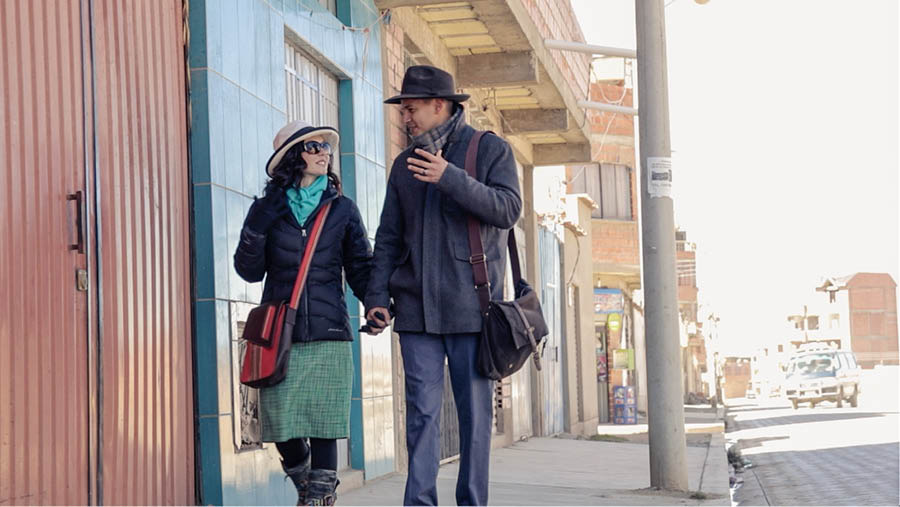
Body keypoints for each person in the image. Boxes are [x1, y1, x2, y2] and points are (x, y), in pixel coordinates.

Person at [364, 65, 522, 505]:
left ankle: (471, 501)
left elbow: (508, 210)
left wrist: (448, 177)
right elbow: (389, 238)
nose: (405, 119)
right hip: (415, 311)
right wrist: (377, 297)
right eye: (403, 111)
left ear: (440, 105)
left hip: (473, 309)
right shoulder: (403, 166)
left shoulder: (489, 150)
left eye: (411, 109)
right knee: (422, 416)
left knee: (473, 420)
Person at [234, 120, 373, 506]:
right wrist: (257, 228)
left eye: (327, 147)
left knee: (325, 422)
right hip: (282, 335)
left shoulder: (342, 209)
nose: (324, 152)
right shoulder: (266, 210)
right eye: (314, 146)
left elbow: (360, 265)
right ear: (292, 157)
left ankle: (319, 497)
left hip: (329, 331)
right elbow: (248, 270)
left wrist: (377, 304)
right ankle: (307, 486)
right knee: (280, 423)